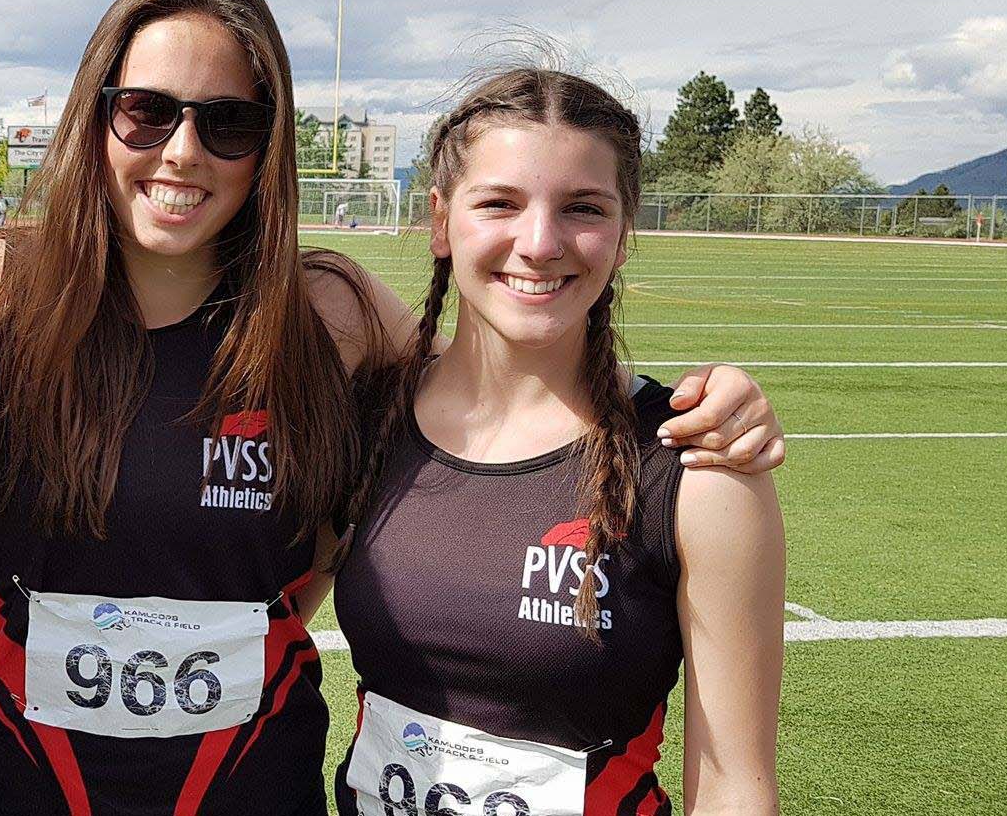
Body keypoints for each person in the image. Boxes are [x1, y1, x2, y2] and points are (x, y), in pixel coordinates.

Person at [0, 0, 788, 814]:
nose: (180, 152)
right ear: (93, 117)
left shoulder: (326, 312)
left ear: (267, 145)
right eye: (146, 112)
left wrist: (685, 401)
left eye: (225, 123)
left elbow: (498, 399)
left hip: (250, 791)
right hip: (11, 790)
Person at [333, 68, 783, 815]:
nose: (539, 243)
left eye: (582, 208)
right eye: (499, 204)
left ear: (623, 232)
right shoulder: (368, 417)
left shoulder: (699, 465)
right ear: (442, 222)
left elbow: (736, 784)